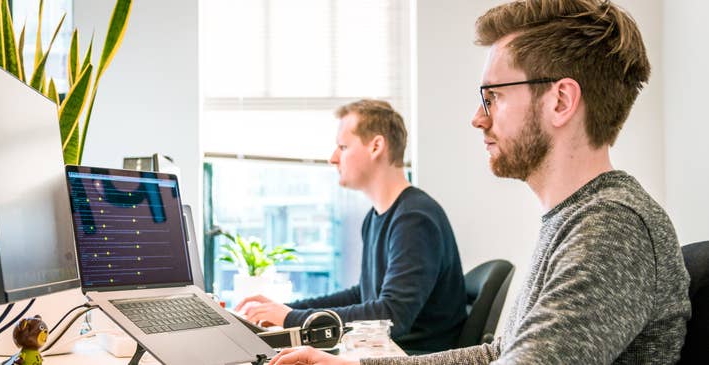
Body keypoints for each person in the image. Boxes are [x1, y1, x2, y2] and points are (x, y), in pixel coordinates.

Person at [267, 1, 691, 364]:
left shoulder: (612, 228)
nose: (478, 117)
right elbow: (500, 352)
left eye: (494, 97)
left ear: (560, 101)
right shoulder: (576, 219)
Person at [236, 99, 468, 352]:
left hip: (413, 355)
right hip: (385, 351)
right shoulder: (377, 217)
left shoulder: (414, 219)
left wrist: (291, 319)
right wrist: (289, 309)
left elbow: (392, 317)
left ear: (376, 146)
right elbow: (364, 295)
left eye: (343, 147)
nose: (333, 158)